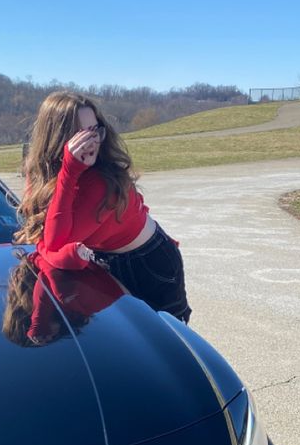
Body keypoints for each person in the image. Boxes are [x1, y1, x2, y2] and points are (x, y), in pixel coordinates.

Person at [14, 91, 191, 323]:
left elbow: (55, 243)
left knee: (168, 339)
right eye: (80, 134)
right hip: (103, 258)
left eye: (95, 131)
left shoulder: (102, 183)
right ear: (57, 137)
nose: (92, 141)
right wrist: (50, 250)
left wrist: (70, 170)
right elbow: (41, 231)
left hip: (148, 263)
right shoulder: (42, 171)